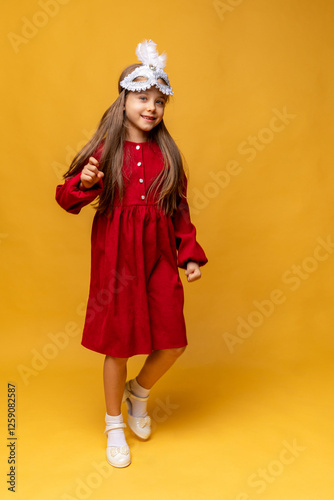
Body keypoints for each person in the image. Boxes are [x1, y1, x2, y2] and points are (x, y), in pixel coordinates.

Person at [55, 39, 208, 468]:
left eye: (159, 101)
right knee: (119, 344)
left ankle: (138, 393)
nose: (152, 107)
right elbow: (66, 199)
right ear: (124, 100)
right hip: (116, 259)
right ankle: (114, 423)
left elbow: (178, 208)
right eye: (143, 98)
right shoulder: (105, 151)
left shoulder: (168, 154)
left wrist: (189, 254)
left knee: (172, 341)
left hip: (158, 254)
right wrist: (85, 182)